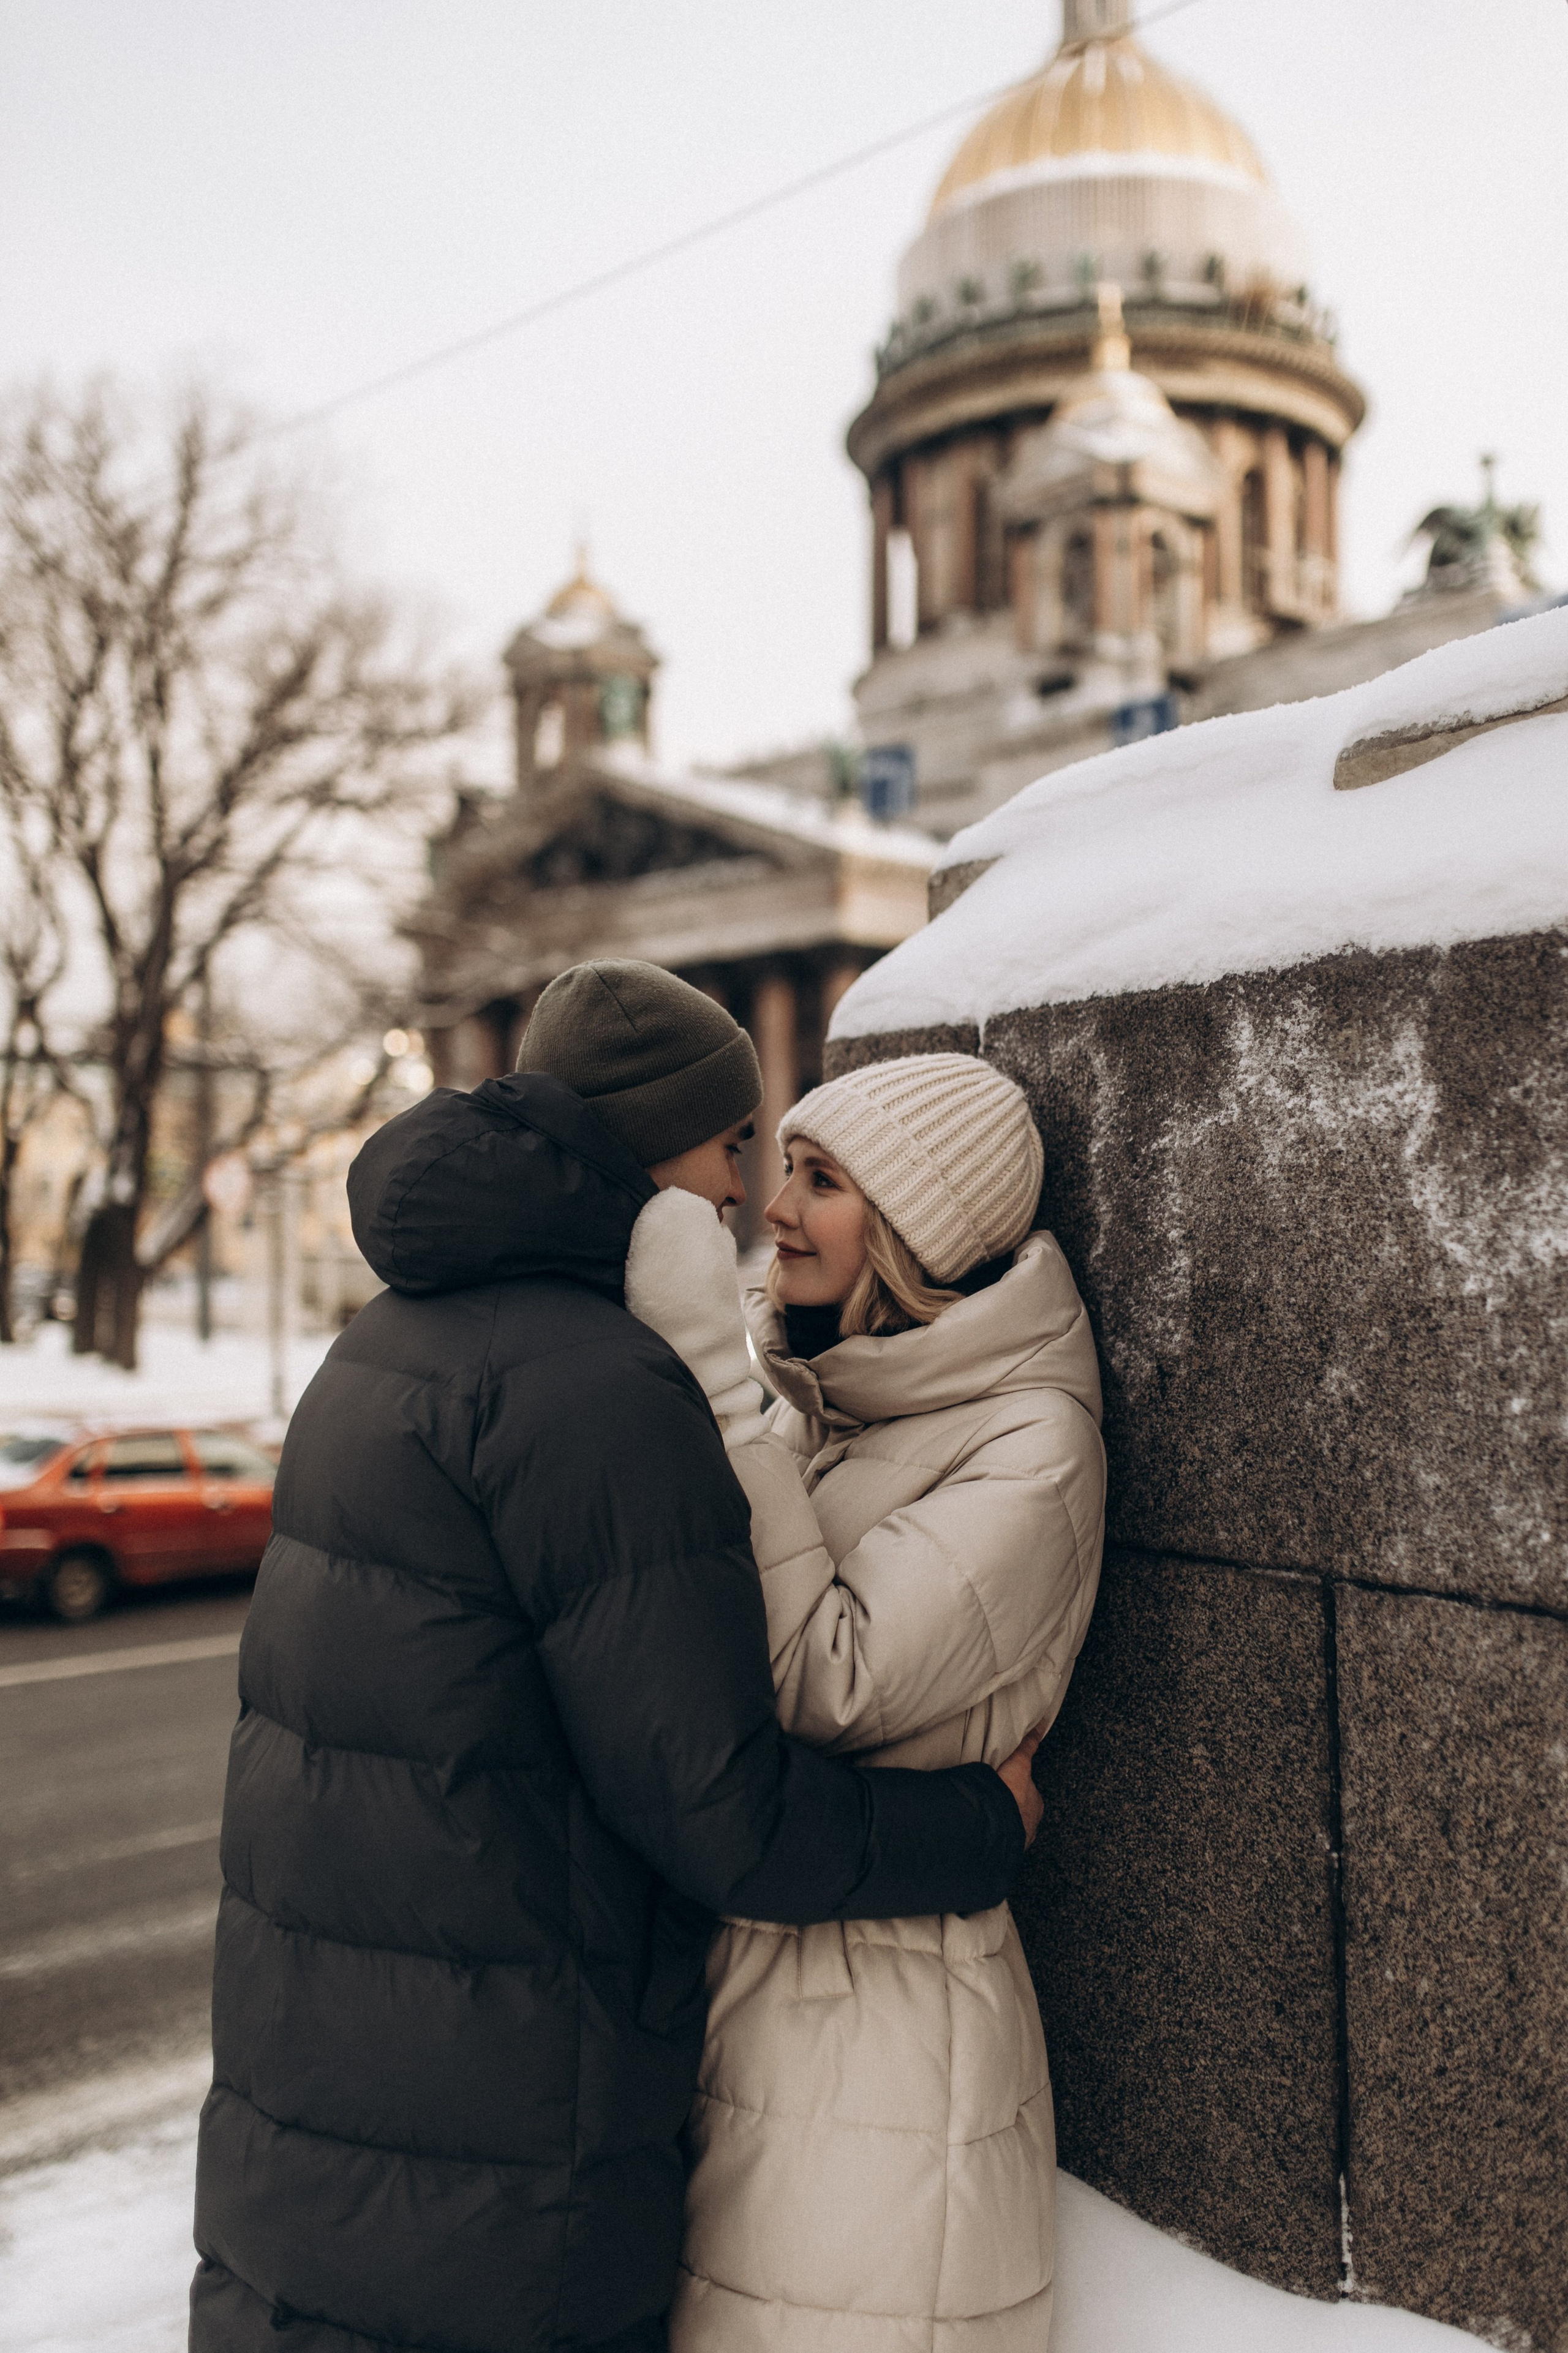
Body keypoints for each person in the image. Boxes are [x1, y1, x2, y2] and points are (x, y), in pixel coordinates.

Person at [190, 963, 1046, 2353]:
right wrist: (977, 1824)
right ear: (658, 1149)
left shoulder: (383, 1342)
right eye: (729, 1149)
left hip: (317, 2121)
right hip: (508, 2151)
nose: (742, 1197)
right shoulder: (600, 1388)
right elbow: (725, 1816)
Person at [622, 1050, 1107, 2353]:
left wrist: (714, 1383)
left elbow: (817, 1677)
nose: (772, 1207)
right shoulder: (825, 1405)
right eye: (783, 1166)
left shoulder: (1029, 1442)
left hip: (884, 2052)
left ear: (914, 1227)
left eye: (820, 1179)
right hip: (772, 1989)